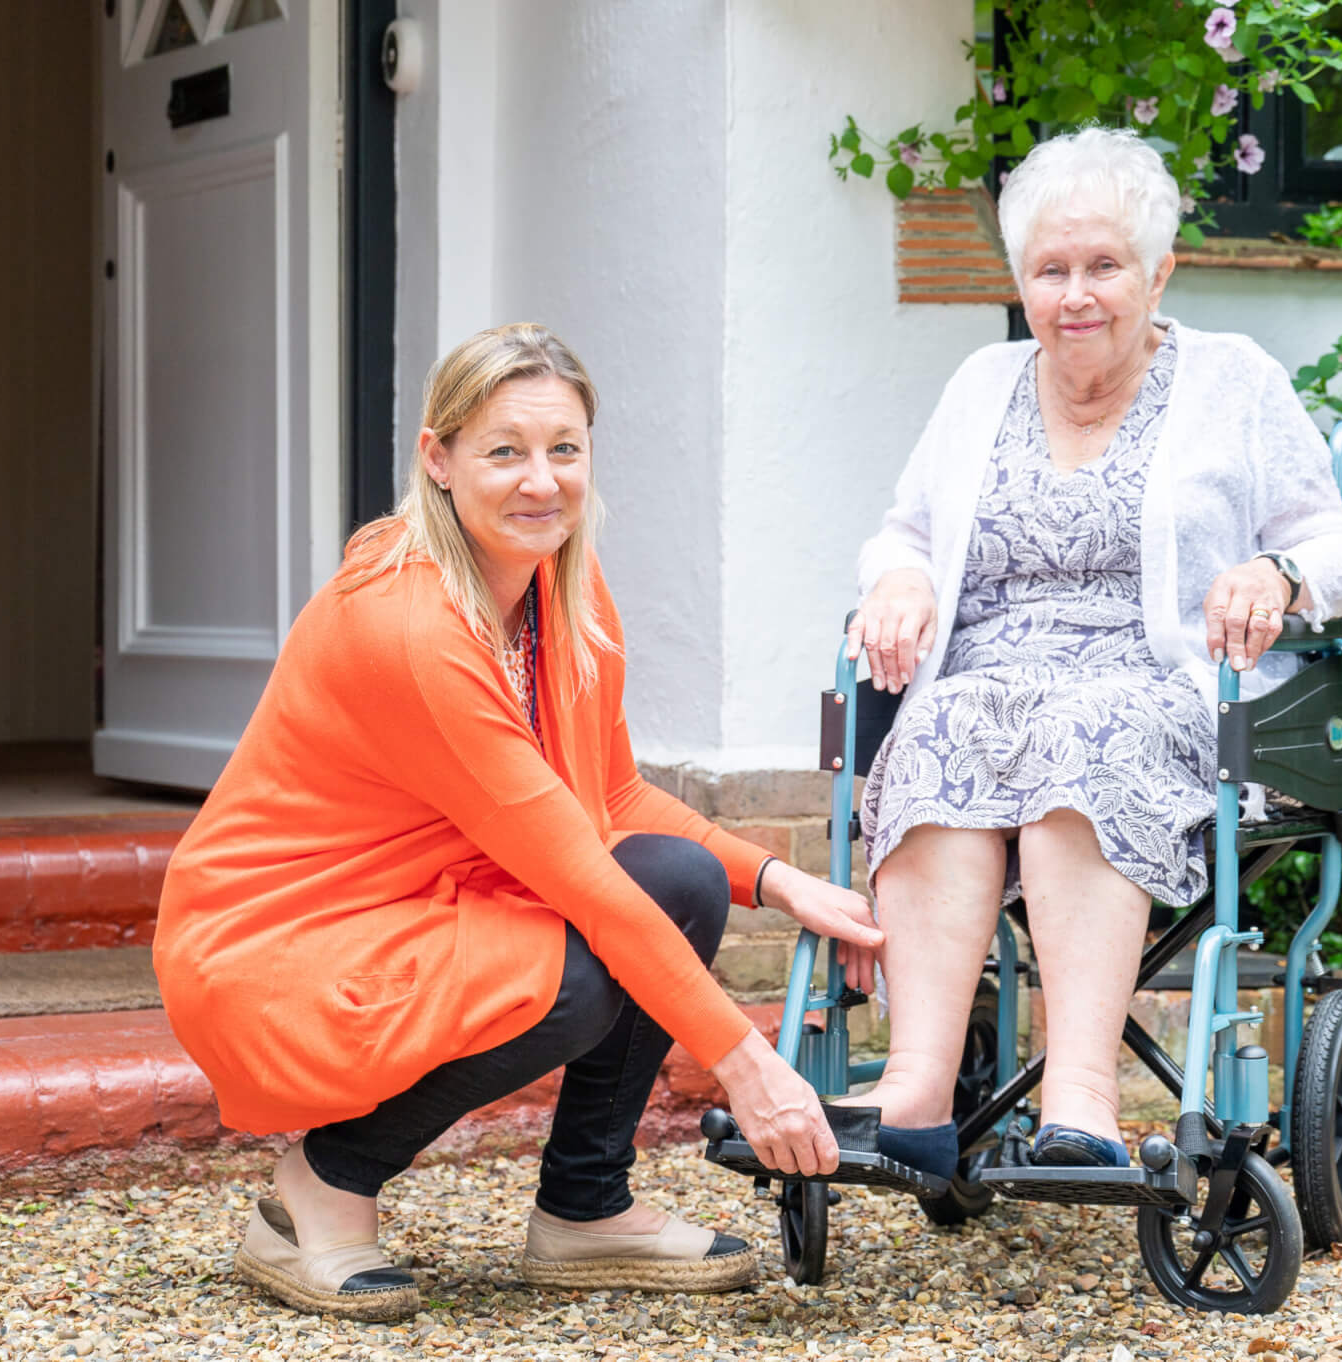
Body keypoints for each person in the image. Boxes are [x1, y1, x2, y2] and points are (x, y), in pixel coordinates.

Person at [154, 324, 883, 1320]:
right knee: (578, 974)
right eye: (504, 451)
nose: (540, 482)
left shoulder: (560, 592)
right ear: (438, 460)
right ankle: (321, 1185)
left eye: (564, 450)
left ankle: (584, 1208)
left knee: (676, 878)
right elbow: (582, 875)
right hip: (282, 939)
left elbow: (613, 803)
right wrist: (745, 1064)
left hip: (417, 906)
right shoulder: (411, 625)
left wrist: (779, 880)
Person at [842, 127, 1342, 1179]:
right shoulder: (978, 386)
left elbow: (1334, 544)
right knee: (941, 722)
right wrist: (895, 579)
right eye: (1049, 270)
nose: (1074, 294)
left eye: (1101, 267)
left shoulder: (1232, 380)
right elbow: (902, 531)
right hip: (984, 679)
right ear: (1019, 281)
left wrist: (1271, 573)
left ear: (1157, 271)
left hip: (1160, 685)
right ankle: (915, 1088)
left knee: (1087, 733)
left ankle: (1079, 1092)